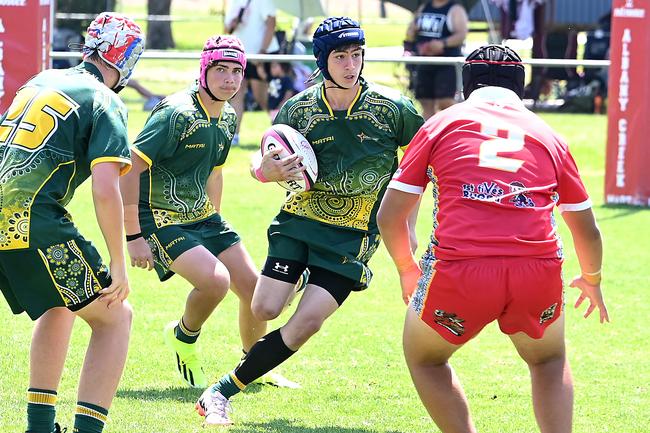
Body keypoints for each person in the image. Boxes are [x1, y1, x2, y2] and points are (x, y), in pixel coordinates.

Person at [195, 16, 424, 426]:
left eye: (356, 55)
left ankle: (219, 392)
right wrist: (264, 171)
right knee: (264, 307)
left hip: (352, 237)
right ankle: (299, 277)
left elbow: (420, 170)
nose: (351, 65)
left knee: (305, 325)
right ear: (322, 60)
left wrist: (406, 228)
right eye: (340, 56)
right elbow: (264, 157)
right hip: (298, 222)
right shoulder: (299, 108)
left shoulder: (394, 110)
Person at [377, 45, 609, 433]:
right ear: (521, 85)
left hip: (460, 267)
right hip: (537, 267)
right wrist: (593, 279)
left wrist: (405, 268)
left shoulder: (439, 124)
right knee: (548, 360)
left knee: (426, 359)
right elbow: (586, 228)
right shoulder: (549, 135)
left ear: (466, 85)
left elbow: (389, 216)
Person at [119, 35, 295, 390]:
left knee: (255, 292)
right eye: (221, 70)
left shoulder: (228, 116)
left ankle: (252, 364)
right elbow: (131, 167)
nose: (229, 79)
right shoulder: (176, 113)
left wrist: (215, 223)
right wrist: (133, 235)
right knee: (216, 281)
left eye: (236, 71)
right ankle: (183, 337)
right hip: (158, 216)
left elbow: (214, 172)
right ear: (204, 70)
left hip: (203, 217)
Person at [0, 12, 144, 433]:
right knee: (116, 316)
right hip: (32, 218)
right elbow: (105, 187)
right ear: (126, 57)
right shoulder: (106, 99)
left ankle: (40, 427)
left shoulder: (40, 79)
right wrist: (119, 262)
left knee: (57, 303)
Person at [224, 0, 279, 145]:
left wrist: (262, 52)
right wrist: (232, 25)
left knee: (261, 97)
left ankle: (280, 125)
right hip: (238, 55)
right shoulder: (232, 2)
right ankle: (234, 136)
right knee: (236, 94)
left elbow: (271, 23)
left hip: (259, 56)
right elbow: (226, 29)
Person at [404, 0, 468, 119]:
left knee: (445, 102)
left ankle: (459, 123)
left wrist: (443, 43)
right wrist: (412, 32)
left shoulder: (455, 9)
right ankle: (431, 134)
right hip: (424, 61)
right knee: (426, 102)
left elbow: (461, 34)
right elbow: (411, 31)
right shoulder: (424, 7)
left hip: (446, 63)